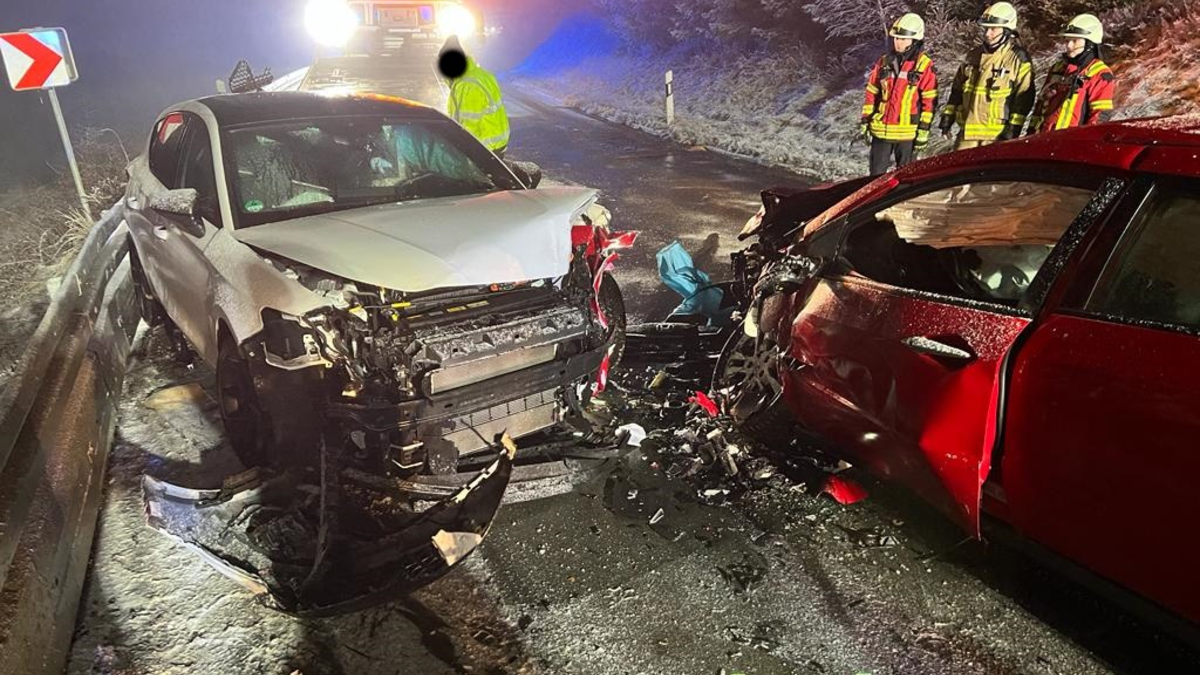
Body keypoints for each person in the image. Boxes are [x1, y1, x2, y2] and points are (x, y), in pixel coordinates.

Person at [939, 2, 1036, 149]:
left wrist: (1012, 130)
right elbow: (957, 90)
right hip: (967, 134)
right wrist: (948, 118)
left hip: (996, 137)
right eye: (986, 28)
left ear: (1006, 30)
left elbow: (1024, 98)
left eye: (993, 29)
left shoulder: (1018, 59)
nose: (987, 34)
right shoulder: (972, 56)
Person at [860, 13, 938, 176]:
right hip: (881, 129)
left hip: (907, 133)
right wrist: (866, 120)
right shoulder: (884, 62)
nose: (898, 42)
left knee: (905, 178)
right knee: (875, 179)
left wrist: (924, 129)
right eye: (896, 38)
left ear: (914, 40)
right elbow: (872, 92)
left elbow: (929, 101)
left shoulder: (923, 65)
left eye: (902, 39)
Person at [1028, 14, 1116, 133]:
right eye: (1067, 40)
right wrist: (1030, 133)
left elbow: (1100, 116)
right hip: (1043, 140)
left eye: (1074, 41)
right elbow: (1040, 106)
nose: (1069, 45)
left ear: (1090, 43)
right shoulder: (1057, 69)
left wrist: (1086, 144)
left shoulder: (1100, 74)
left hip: (1071, 145)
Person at [438, 36, 510, 157]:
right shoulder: (478, 75)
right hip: (495, 142)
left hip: (485, 147)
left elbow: (468, 128)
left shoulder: (468, 86)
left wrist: (460, 152)